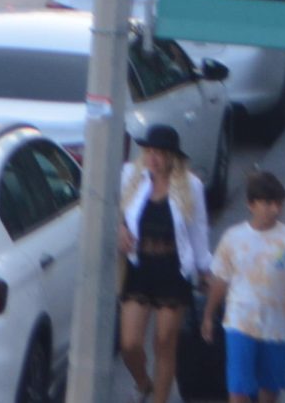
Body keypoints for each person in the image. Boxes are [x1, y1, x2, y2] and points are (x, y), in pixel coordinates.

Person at [204, 171, 285, 403]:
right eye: (267, 203)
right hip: (240, 320)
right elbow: (220, 279)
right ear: (251, 204)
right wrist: (208, 315)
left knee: (269, 388)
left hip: (276, 326)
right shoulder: (233, 238)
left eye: (278, 204)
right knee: (238, 388)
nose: (274, 209)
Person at [116, 124, 212, 403]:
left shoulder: (190, 185)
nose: (153, 158)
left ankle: (160, 399)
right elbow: (107, 206)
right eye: (149, 151)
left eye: (159, 153)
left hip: (173, 269)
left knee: (164, 343)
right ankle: (144, 382)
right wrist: (120, 229)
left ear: (172, 156)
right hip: (140, 266)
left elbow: (199, 230)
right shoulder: (131, 177)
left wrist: (206, 270)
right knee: (129, 344)